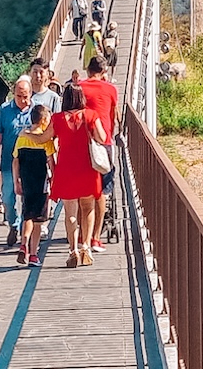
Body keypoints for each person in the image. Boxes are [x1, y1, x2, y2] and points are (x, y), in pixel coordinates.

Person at [49, 81, 107, 267]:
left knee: (70, 213)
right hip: (87, 168)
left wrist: (29, 134)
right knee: (88, 208)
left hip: (66, 169)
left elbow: (45, 137)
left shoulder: (57, 118)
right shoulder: (90, 115)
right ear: (81, 98)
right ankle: (86, 248)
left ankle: (73, 249)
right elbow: (102, 137)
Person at [80, 56, 120, 255]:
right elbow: (114, 113)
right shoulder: (111, 89)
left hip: (82, 143)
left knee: (83, 189)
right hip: (104, 143)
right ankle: (96, 237)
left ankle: (82, 236)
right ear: (104, 72)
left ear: (88, 71)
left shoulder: (79, 87)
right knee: (102, 190)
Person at [0, 78, 34, 249]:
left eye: (26, 96)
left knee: (27, 199)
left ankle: (24, 229)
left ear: (31, 94)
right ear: (13, 94)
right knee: (8, 197)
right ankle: (13, 224)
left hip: (30, 163)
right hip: (8, 162)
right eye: (19, 96)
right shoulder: (5, 110)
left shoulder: (36, 110)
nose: (23, 100)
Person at [12, 105, 57, 268]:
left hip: (26, 181)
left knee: (27, 214)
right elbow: (51, 162)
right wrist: (55, 179)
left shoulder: (22, 137)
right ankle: (33, 254)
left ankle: (23, 243)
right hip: (41, 182)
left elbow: (15, 160)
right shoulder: (45, 140)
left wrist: (16, 180)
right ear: (44, 120)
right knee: (38, 220)